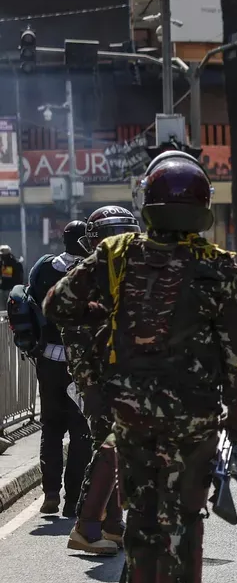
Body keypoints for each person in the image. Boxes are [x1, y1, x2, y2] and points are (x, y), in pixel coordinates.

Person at [45, 154, 237, 583]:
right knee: (184, 520)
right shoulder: (218, 264)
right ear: (202, 207)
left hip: (129, 412)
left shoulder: (115, 253)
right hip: (193, 417)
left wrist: (108, 319)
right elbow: (236, 357)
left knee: (140, 515)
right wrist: (236, 413)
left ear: (149, 204)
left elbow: (57, 305)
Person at [63, 206, 142, 555]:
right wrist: (90, 387)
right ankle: (86, 526)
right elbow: (74, 338)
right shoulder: (84, 278)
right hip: (97, 379)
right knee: (108, 448)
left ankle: (112, 525)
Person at [27, 222, 93, 517]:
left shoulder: (43, 267)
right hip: (81, 364)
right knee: (81, 432)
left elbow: (30, 302)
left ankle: (51, 493)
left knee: (51, 428)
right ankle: (73, 499)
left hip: (48, 362)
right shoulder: (91, 270)